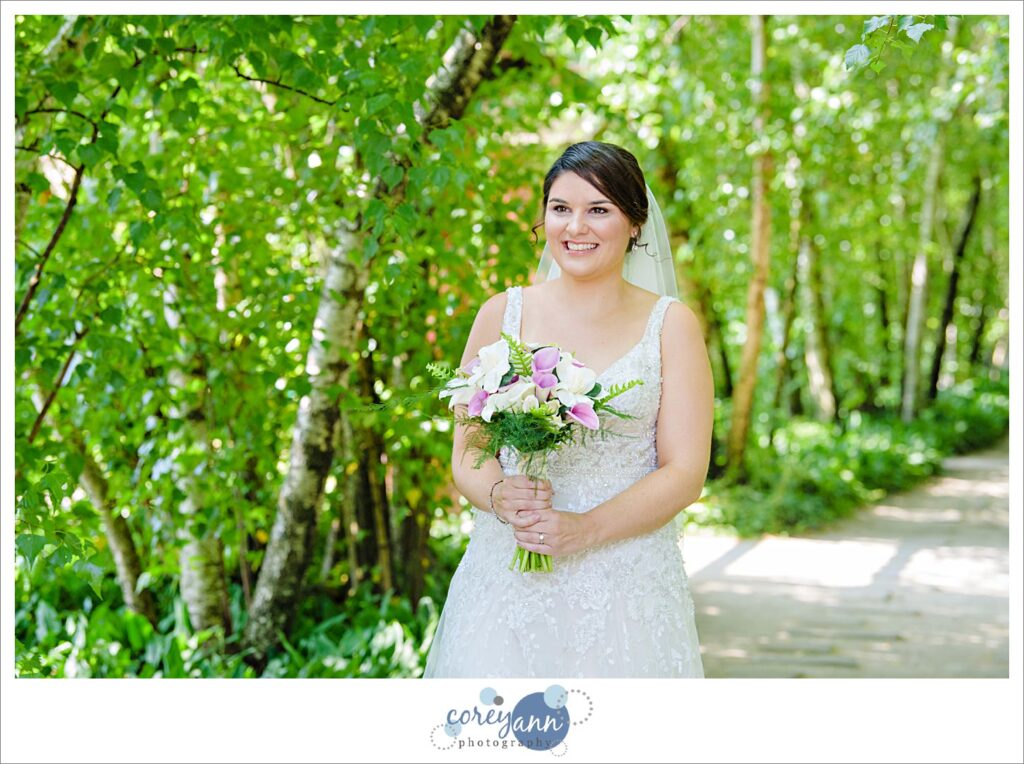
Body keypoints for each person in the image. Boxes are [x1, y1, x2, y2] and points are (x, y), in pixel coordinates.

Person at [422, 141, 714, 678]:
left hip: (627, 583)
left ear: (634, 223)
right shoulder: (500, 315)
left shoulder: (671, 326)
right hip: (507, 575)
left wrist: (583, 530)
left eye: (598, 209)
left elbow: (685, 472)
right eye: (561, 208)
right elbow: (467, 452)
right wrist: (499, 494)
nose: (576, 226)